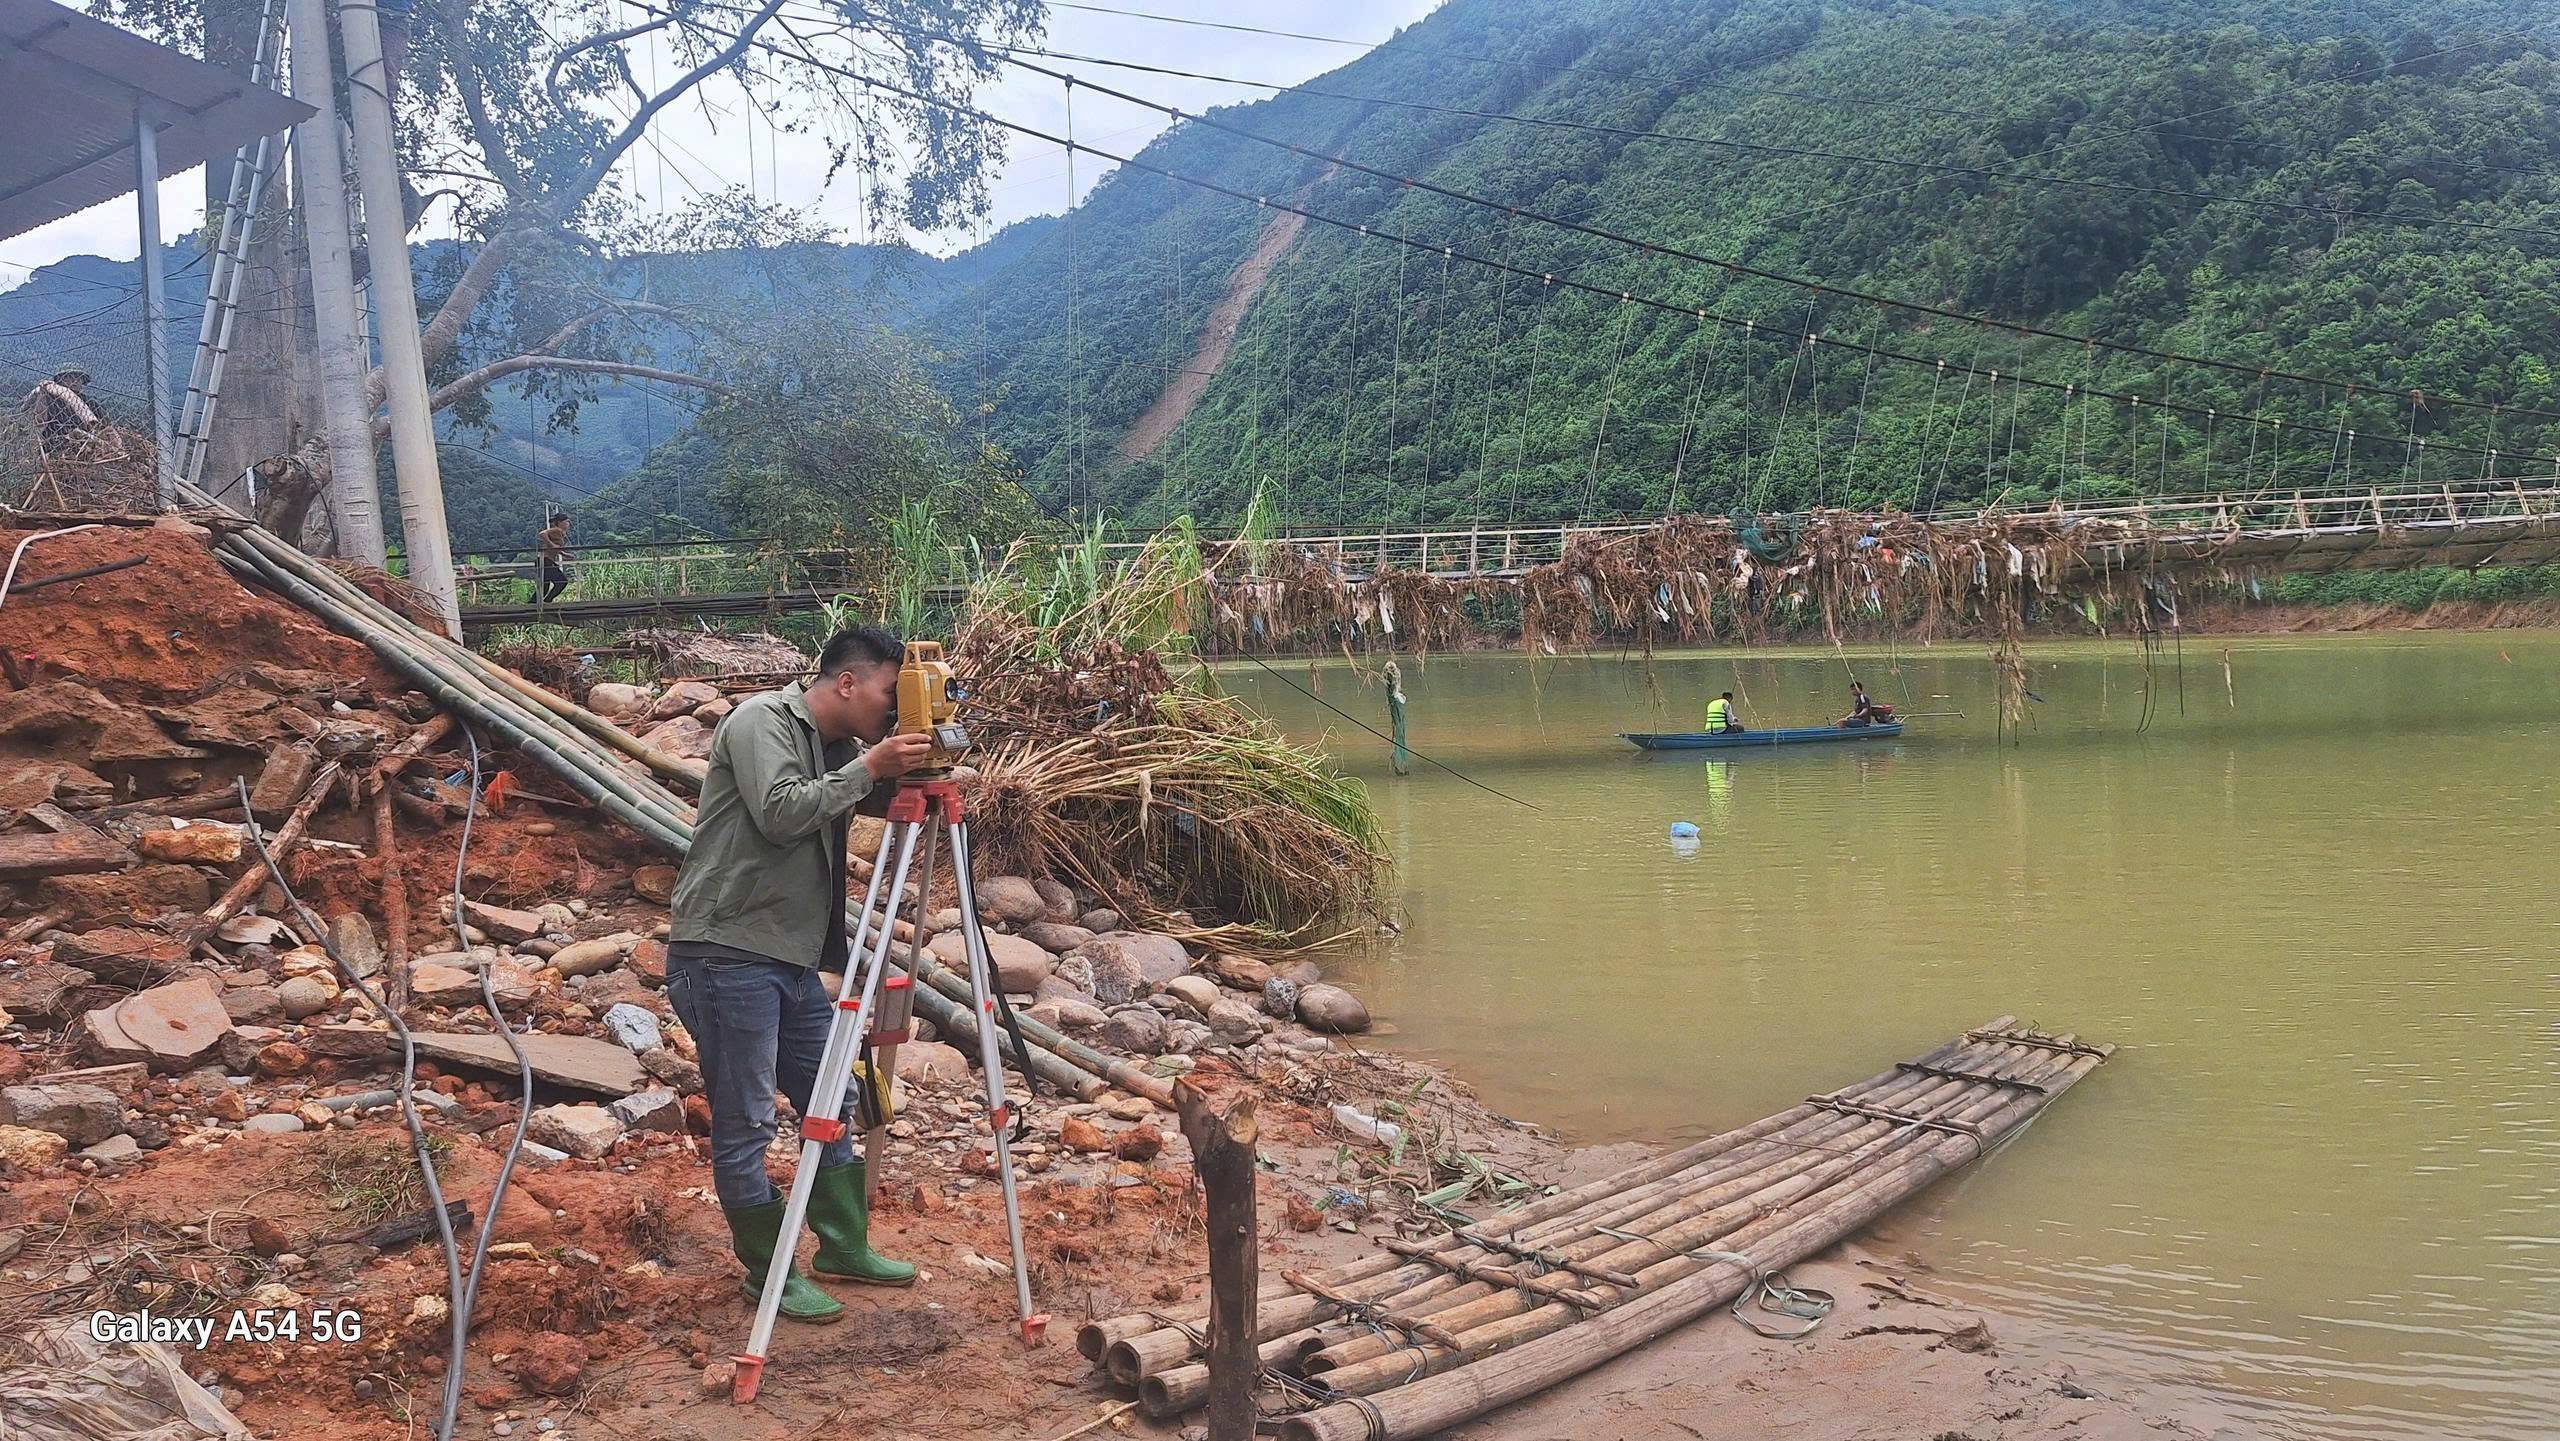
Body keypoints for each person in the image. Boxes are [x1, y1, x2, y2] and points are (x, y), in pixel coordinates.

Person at [665, 627, 935, 1324]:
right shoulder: (761, 722)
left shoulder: (840, 747)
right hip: (726, 952)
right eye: (888, 692)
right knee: (748, 1119)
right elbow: (784, 811)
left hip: (787, 956)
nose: (892, 708)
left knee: (832, 1094)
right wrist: (873, 765)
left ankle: (841, 1246)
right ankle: (769, 1270)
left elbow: (870, 788)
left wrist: (926, 758)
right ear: (848, 682)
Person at [23, 365, 102, 450]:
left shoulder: (91, 402)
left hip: (86, 445)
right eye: (70, 377)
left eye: (79, 378)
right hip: (55, 442)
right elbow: (40, 420)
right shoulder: (51, 399)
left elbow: (103, 424)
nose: (75, 381)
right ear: (60, 380)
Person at [535, 513, 572, 603]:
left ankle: (533, 604)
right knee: (562, 581)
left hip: (545, 560)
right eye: (566, 521)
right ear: (560, 522)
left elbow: (555, 547)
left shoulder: (560, 533)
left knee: (545, 586)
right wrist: (551, 544)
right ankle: (547, 601)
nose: (568, 523)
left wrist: (563, 554)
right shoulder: (557, 530)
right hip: (546, 560)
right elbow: (542, 534)